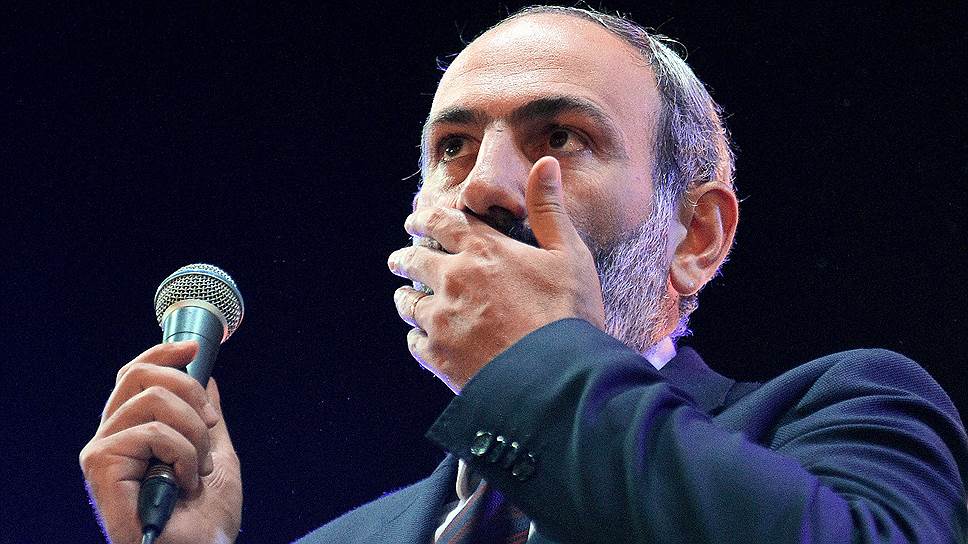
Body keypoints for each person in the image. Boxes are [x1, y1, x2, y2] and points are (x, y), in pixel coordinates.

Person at [80, 5, 968, 543]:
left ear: (696, 235)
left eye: (562, 138)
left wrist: (545, 363)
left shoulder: (846, 414)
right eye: (452, 147)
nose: (483, 186)